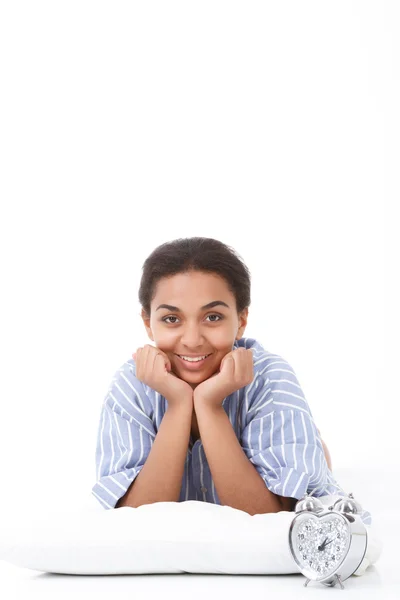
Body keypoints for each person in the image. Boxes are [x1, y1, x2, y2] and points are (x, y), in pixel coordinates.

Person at [91, 237, 371, 525]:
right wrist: (178, 404)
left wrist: (209, 405)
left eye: (212, 317)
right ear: (148, 323)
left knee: (311, 469)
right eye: (172, 319)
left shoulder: (270, 376)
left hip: (285, 462)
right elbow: (132, 519)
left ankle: (315, 452)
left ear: (242, 320)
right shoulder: (131, 384)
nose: (192, 340)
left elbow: (271, 519)